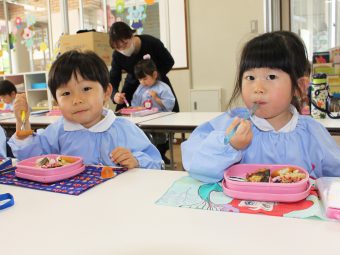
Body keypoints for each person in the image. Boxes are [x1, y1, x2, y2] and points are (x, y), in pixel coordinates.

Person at [181, 31, 340, 183]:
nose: (258, 88)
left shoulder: (313, 133)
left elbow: (334, 177)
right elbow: (194, 165)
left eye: (271, 77)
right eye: (250, 77)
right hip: (241, 210)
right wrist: (230, 145)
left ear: (299, 86)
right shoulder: (231, 124)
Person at [8, 50, 163, 170]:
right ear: (56, 101)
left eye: (86, 88)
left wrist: (136, 161)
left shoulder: (124, 128)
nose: (77, 100)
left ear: (107, 92)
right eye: (66, 93)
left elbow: (156, 163)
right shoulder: (58, 131)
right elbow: (31, 160)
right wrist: (23, 122)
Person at [108, 21, 179, 112]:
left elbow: (169, 61)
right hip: (132, 84)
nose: (123, 49)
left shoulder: (151, 42)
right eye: (118, 48)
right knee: (123, 113)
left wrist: (153, 77)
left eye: (125, 44)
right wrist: (114, 95)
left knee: (170, 113)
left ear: (132, 36)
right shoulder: (117, 55)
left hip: (157, 82)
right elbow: (113, 79)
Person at [132, 56, 175, 164]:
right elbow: (135, 104)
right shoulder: (140, 88)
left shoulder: (163, 87)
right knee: (144, 139)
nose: (142, 82)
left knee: (159, 141)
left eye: (145, 78)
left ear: (154, 75)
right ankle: (148, 157)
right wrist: (138, 108)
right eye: (140, 79)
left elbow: (170, 104)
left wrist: (156, 98)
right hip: (145, 120)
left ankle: (160, 156)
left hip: (160, 120)